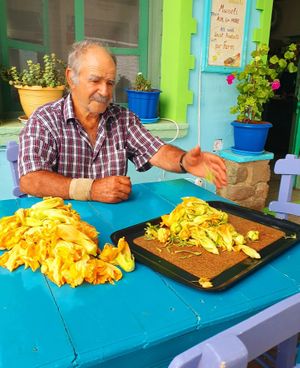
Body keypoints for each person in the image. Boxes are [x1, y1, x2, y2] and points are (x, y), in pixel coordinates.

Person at [19, 39, 227, 203]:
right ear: (70, 77)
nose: (105, 91)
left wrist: (184, 161)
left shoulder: (122, 118)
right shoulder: (44, 119)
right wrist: (91, 189)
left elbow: (156, 150)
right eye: (95, 80)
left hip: (111, 220)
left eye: (110, 83)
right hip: (59, 226)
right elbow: (30, 179)